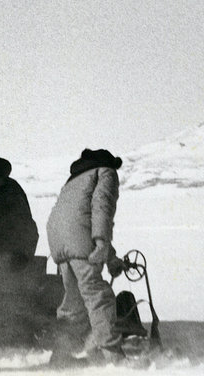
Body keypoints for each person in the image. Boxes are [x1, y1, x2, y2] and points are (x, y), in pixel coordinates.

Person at [45, 147, 125, 364]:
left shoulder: (74, 179)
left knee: (73, 302)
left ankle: (60, 355)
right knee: (98, 297)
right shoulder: (105, 172)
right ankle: (113, 358)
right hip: (79, 240)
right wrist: (101, 242)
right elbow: (101, 208)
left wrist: (111, 258)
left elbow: (80, 218)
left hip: (59, 241)